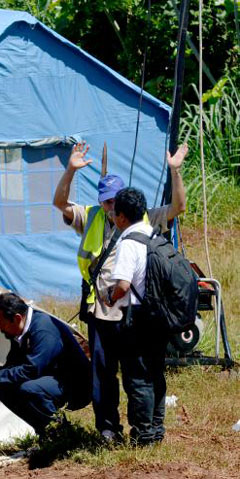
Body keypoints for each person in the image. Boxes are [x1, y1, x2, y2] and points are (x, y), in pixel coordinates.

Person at [52, 141, 188, 442]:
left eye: (114, 201)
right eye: (105, 201)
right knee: (102, 373)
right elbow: (60, 204)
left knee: (136, 374)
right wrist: (70, 171)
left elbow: (178, 207)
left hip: (133, 314)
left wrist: (175, 172)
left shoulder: (142, 217)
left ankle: (144, 429)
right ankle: (108, 429)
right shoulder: (91, 216)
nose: (110, 207)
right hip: (100, 310)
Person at [0, 293, 91, 436]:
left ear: (17, 318)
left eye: (1, 322)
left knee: (29, 388)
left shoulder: (43, 329)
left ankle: (61, 434)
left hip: (76, 385)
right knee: (3, 385)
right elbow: (13, 365)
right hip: (50, 377)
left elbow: (32, 370)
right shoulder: (19, 330)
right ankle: (46, 433)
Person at [102, 188, 169, 446]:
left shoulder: (128, 243)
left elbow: (123, 285)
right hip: (160, 316)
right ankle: (157, 428)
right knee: (155, 373)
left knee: (138, 378)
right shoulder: (154, 235)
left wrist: (109, 296)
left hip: (138, 318)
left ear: (120, 218)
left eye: (113, 212)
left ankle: (143, 436)